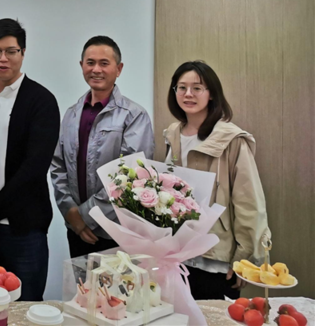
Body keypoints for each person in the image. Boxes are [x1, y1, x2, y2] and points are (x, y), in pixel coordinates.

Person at [0, 18, 60, 301]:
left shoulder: (41, 100)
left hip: (22, 229)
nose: (3, 58)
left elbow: (35, 166)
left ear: (23, 53)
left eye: (11, 51)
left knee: (24, 306)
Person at [164, 60, 270, 300]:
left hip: (215, 259)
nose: (188, 94)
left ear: (211, 93)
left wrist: (245, 258)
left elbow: (249, 202)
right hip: (177, 256)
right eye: (181, 87)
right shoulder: (172, 134)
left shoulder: (232, 139)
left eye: (197, 88)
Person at [50, 36, 154, 258]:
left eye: (104, 63)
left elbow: (131, 176)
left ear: (119, 69)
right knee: (80, 280)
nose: (96, 69)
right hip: (76, 229)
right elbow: (58, 167)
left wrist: (85, 216)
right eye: (90, 63)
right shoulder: (71, 114)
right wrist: (70, 212)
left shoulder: (134, 115)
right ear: (82, 66)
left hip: (117, 230)